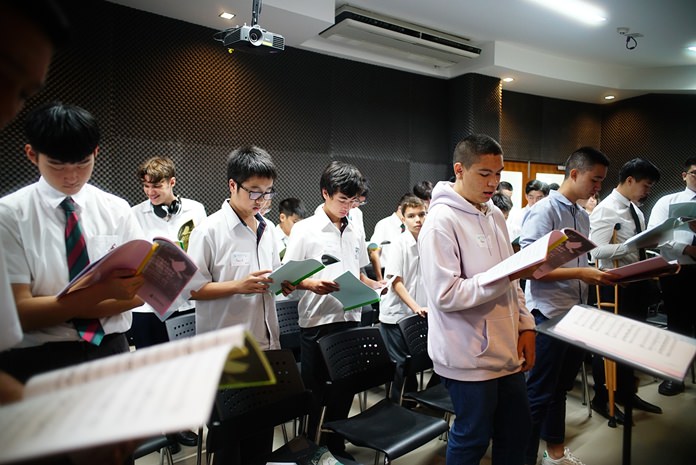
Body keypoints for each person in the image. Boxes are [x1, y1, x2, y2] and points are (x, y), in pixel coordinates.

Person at [0, 102, 145, 384]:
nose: (71, 176)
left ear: (95, 153)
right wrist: (104, 292)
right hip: (38, 360)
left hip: (111, 350)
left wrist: (59, 308)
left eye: (82, 163)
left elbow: (143, 292)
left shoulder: (116, 209)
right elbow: (21, 313)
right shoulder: (10, 215)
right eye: (56, 164)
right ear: (32, 155)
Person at [419, 134, 536, 465]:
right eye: (485, 174)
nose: (494, 183)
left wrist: (526, 326)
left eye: (498, 174)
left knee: (517, 430)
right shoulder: (440, 222)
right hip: (467, 353)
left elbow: (512, 279)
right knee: (472, 437)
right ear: (459, 169)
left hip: (506, 346)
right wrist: (505, 277)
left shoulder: (494, 214)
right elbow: (446, 294)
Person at [187, 146, 294, 464]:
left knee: (261, 437)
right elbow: (192, 290)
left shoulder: (269, 229)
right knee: (229, 444)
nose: (262, 200)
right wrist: (239, 286)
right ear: (232, 186)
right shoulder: (209, 231)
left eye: (268, 192)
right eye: (254, 192)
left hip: (266, 345)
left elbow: (270, 278)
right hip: (228, 351)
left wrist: (282, 283)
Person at [521, 147, 615, 465]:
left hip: (576, 313)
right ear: (574, 173)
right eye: (595, 179)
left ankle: (555, 452)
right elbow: (531, 269)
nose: (597, 187)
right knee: (538, 392)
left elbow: (579, 265)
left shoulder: (583, 216)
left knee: (560, 388)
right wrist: (581, 272)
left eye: (602, 181)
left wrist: (594, 275)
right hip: (547, 313)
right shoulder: (544, 210)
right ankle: (523, 457)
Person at [283, 161, 384, 459]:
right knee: (317, 393)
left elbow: (357, 267)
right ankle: (314, 448)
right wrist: (312, 284)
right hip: (317, 320)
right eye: (343, 200)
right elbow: (286, 279)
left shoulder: (355, 222)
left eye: (354, 201)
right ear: (325, 193)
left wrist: (374, 284)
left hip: (351, 315)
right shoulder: (305, 230)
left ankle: (336, 443)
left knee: (345, 387)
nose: (348, 207)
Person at [588, 158, 662, 421]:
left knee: (632, 344)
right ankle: (602, 397)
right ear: (629, 180)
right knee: (608, 345)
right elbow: (594, 250)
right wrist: (631, 245)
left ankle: (626, 393)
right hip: (614, 286)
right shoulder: (607, 209)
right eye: (645, 185)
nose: (647, 191)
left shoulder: (636, 210)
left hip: (637, 283)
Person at [129, 156, 207, 348]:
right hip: (149, 308)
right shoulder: (133, 214)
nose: (150, 192)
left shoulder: (196, 210)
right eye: (146, 186)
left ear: (172, 181)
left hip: (188, 303)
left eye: (156, 185)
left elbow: (204, 252)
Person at [647, 156, 696, 396]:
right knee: (678, 324)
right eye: (695, 173)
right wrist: (687, 248)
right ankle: (674, 377)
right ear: (684, 175)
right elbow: (657, 235)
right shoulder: (668, 201)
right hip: (679, 270)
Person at [378, 194, 428, 402]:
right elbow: (397, 282)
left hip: (418, 312)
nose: (418, 220)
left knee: (417, 361)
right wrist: (417, 307)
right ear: (403, 219)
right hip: (397, 313)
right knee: (400, 364)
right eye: (412, 216)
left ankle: (410, 401)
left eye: (422, 214)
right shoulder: (398, 244)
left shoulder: (428, 242)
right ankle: (397, 407)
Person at [369, 193, 409, 280]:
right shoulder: (384, 224)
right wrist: (380, 279)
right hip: (387, 274)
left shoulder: (409, 227)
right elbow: (373, 251)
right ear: (400, 208)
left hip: (406, 275)